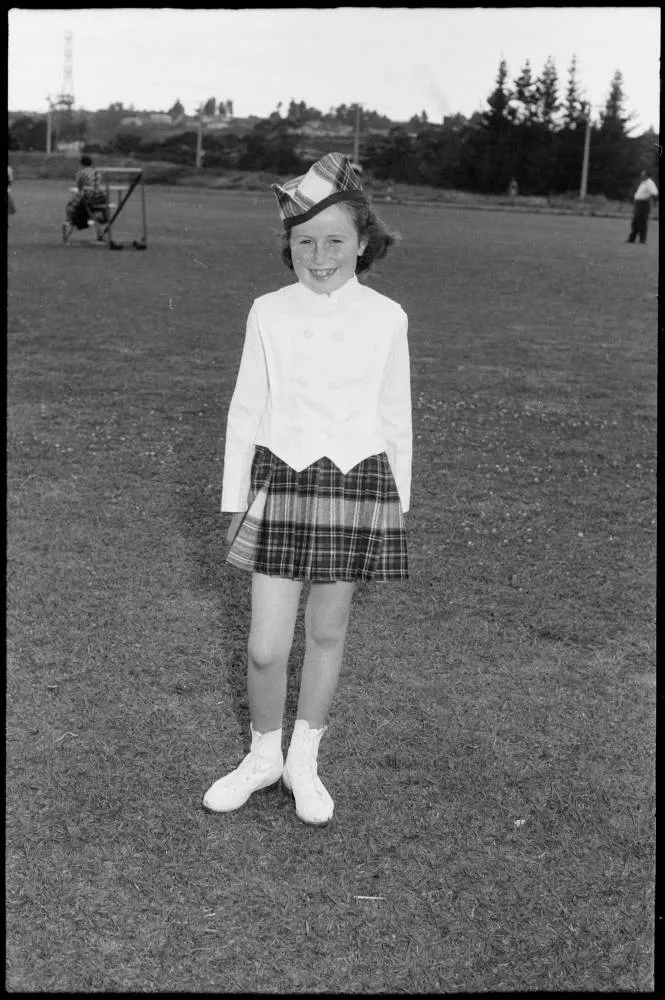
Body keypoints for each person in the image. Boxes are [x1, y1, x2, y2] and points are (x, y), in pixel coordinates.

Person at [203, 152, 412, 826]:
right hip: (282, 481)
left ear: (363, 243)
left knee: (326, 632)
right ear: (286, 246)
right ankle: (263, 755)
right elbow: (245, 408)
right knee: (266, 644)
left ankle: (303, 760)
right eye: (304, 243)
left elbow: (393, 412)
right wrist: (235, 499)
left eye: (334, 242)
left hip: (357, 481)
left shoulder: (387, 318)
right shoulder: (267, 311)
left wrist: (397, 503)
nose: (319, 257)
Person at [64, 154, 108, 230]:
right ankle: (100, 218)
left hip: (89, 197)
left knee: (71, 204)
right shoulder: (96, 172)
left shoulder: (81, 173)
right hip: (101, 197)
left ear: (82, 164)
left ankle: (73, 220)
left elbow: (79, 187)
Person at [626, 170, 659, 245]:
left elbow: (655, 193)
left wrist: (655, 202)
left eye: (643, 175)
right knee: (635, 222)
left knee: (642, 222)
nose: (641, 176)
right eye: (641, 175)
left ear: (647, 176)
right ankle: (631, 239)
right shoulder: (643, 183)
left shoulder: (649, 183)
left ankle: (642, 240)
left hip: (643, 204)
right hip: (638, 204)